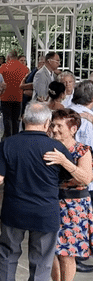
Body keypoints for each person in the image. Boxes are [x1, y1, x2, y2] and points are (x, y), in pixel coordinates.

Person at [0, 102, 73, 281]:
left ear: (23, 119)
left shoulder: (9, 144)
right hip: (45, 213)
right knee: (42, 262)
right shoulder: (57, 149)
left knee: (7, 254)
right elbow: (70, 177)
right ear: (47, 123)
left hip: (14, 211)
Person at [45, 109, 93, 281]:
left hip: (74, 206)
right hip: (51, 202)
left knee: (67, 254)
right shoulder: (48, 147)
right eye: (53, 125)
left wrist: (64, 161)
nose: (54, 129)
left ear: (73, 129)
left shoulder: (82, 150)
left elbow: (86, 178)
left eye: (59, 125)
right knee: (51, 251)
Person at [0, 50, 29, 138]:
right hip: (18, 97)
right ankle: (15, 136)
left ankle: (8, 136)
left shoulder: (4, 67)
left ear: (8, 57)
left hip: (5, 97)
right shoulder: (24, 68)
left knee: (6, 118)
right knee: (16, 120)